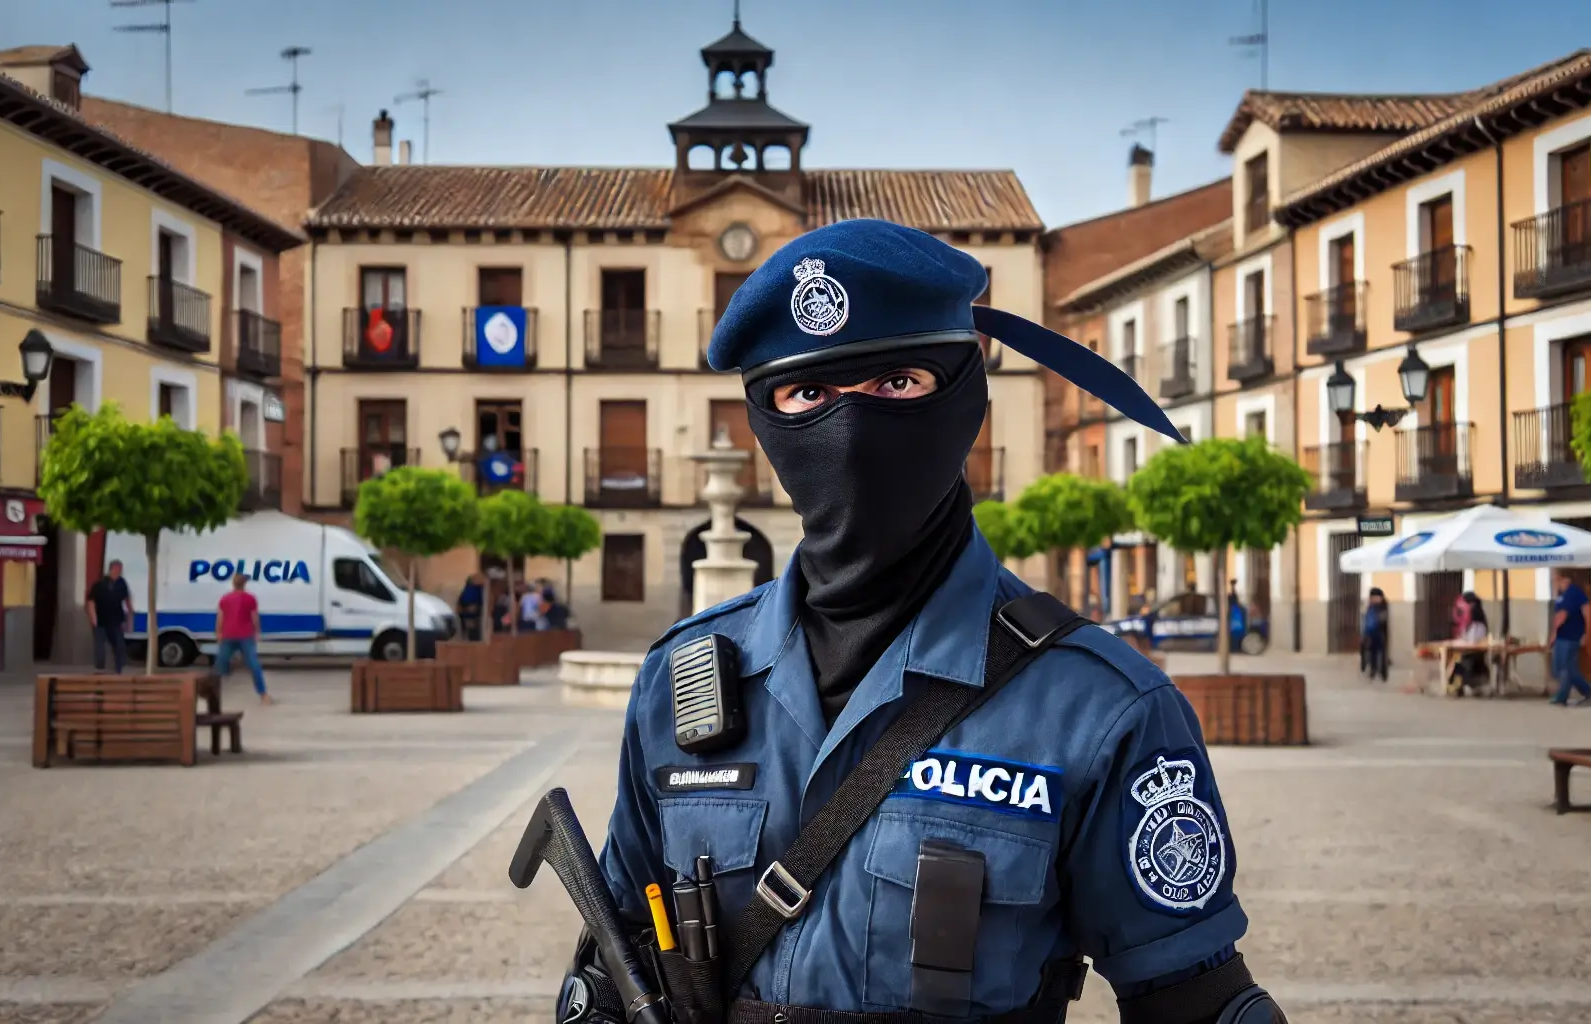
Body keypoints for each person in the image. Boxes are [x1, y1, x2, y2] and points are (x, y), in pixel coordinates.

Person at [582, 221, 1280, 1024]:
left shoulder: (1101, 710)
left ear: (967, 395)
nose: (850, 430)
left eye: (897, 384)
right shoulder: (682, 682)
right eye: (807, 394)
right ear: (763, 420)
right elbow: (619, 958)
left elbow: (1197, 1003)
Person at [214, 574, 271, 705]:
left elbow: (220, 618)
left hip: (228, 635)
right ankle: (263, 695)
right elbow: (254, 617)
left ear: (233, 584)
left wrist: (218, 633)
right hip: (246, 636)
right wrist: (257, 632)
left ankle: (213, 693)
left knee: (220, 665)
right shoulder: (250, 598)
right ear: (244, 584)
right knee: (254, 665)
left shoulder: (225, 598)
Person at [1548, 572, 1591, 707]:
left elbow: (1562, 616)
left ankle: (1585, 690)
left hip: (1571, 636)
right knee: (1561, 667)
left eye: (1557, 579)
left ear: (1566, 579)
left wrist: (1587, 633)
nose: (1554, 581)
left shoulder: (1573, 592)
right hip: (1563, 636)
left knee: (1567, 667)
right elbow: (1558, 614)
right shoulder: (1562, 595)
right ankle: (1562, 696)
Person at [85, 560, 133, 673]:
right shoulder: (100, 584)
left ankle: (118, 668)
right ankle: (100, 669)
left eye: (120, 570)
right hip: (101, 620)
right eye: (117, 569)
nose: (119, 572)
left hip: (116, 620)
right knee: (100, 648)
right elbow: (91, 602)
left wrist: (130, 617)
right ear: (111, 569)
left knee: (119, 645)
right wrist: (93, 619)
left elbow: (127, 600)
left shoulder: (122, 583)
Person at [1447, 592, 1491, 697]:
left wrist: (1463, 639)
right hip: (1472, 651)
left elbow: (1472, 641)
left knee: (1458, 662)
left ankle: (1458, 686)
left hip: (1473, 652)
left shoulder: (1477, 624)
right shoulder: (1472, 622)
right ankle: (1457, 685)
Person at [1361, 587, 1389, 682]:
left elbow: (1383, 620)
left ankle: (1383, 673)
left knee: (1382, 654)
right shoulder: (1370, 607)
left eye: (1375, 597)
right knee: (1372, 653)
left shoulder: (1383, 607)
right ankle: (1372, 670)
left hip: (1380, 634)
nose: (1373, 599)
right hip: (1370, 634)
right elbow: (1366, 619)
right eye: (1372, 597)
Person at [457, 574, 486, 642]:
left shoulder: (470, 590)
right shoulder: (477, 589)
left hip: (469, 613)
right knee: (473, 631)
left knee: (471, 631)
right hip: (472, 613)